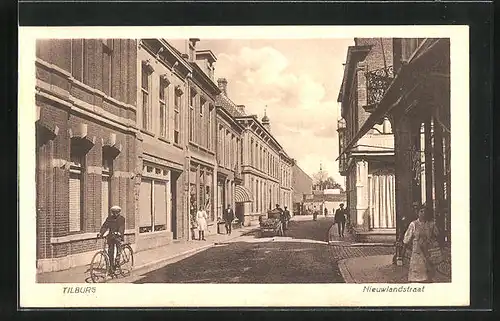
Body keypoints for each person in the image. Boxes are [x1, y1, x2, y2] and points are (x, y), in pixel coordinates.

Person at [403, 204, 440, 282]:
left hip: (428, 252)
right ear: (418, 213)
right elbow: (406, 239)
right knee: (417, 275)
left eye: (425, 211)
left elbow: (437, 236)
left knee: (428, 275)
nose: (423, 213)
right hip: (417, 252)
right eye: (421, 211)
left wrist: (432, 242)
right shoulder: (413, 224)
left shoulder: (431, 224)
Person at [97, 205, 125, 274]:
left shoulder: (121, 218)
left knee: (118, 249)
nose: (115, 214)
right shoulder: (109, 218)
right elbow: (105, 226)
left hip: (118, 236)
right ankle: (112, 268)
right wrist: (101, 233)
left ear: (119, 212)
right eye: (113, 212)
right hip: (111, 237)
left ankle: (118, 260)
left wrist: (119, 232)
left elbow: (122, 226)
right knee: (110, 252)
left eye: (116, 212)